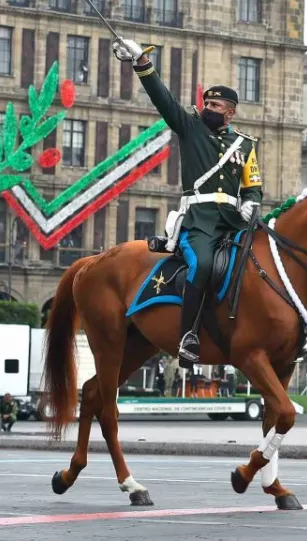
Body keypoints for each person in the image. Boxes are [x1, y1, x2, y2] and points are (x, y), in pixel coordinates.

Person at [112, 37, 263, 369]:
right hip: (200, 221)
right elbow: (163, 101)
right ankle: (188, 336)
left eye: (216, 106)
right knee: (203, 265)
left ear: (231, 111)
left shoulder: (246, 145)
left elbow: (253, 185)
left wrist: (252, 203)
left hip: (235, 221)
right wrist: (142, 64)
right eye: (206, 104)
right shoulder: (190, 128)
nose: (208, 109)